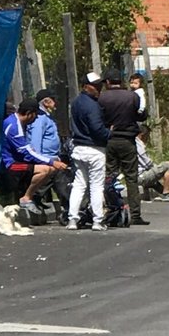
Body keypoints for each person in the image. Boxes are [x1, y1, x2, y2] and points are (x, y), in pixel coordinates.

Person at [97, 70, 150, 227]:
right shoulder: (132, 96)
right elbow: (142, 115)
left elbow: (99, 118)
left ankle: (112, 210)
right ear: (121, 81)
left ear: (108, 82)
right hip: (128, 140)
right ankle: (135, 214)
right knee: (131, 178)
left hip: (109, 140)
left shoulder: (102, 98)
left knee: (109, 176)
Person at [0, 96, 67, 217]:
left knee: (50, 169)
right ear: (29, 114)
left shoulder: (19, 123)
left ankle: (32, 197)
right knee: (45, 170)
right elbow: (27, 152)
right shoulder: (14, 126)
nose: (36, 118)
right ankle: (26, 198)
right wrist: (51, 161)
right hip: (10, 164)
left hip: (19, 160)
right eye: (36, 115)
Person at [67, 73, 111, 231]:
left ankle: (72, 219)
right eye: (96, 86)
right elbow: (97, 129)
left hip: (78, 148)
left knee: (79, 184)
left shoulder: (76, 102)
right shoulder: (92, 106)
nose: (99, 89)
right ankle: (98, 220)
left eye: (100, 85)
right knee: (96, 186)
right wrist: (109, 133)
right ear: (86, 86)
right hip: (94, 149)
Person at [26, 91, 72, 221]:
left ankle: (68, 209)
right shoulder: (40, 119)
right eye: (53, 99)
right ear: (46, 102)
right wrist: (40, 159)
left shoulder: (46, 117)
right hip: (46, 159)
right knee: (51, 184)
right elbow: (36, 141)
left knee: (57, 184)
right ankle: (33, 203)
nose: (55, 102)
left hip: (52, 158)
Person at [137, 128, 169, 201]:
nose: (148, 138)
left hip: (134, 176)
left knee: (154, 178)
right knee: (168, 165)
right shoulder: (139, 145)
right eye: (148, 136)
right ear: (142, 135)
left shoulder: (131, 143)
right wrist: (160, 171)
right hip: (140, 177)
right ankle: (166, 194)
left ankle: (165, 192)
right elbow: (148, 164)